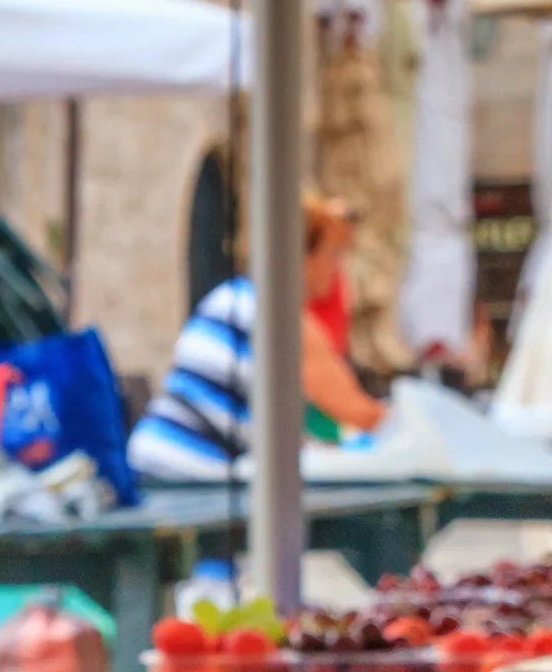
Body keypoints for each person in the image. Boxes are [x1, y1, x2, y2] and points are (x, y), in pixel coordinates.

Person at [129, 193, 389, 484]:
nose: (338, 270)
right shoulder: (281, 319)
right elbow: (360, 413)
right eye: (333, 255)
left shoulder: (233, 295)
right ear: (302, 256)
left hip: (150, 462)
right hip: (187, 476)